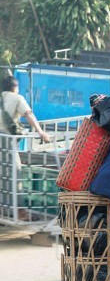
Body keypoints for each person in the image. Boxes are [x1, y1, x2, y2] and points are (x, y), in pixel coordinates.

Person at [0, 75, 50, 221]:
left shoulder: (1, 98)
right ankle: (21, 212)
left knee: (3, 175)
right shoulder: (17, 98)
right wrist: (41, 132)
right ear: (15, 88)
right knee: (16, 173)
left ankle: (5, 209)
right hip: (6, 142)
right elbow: (28, 114)